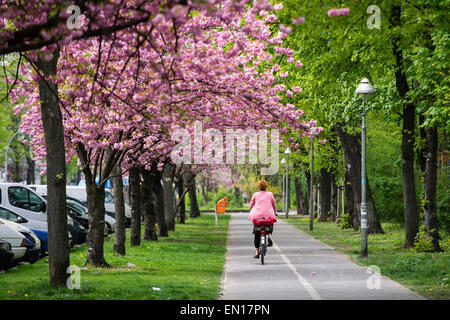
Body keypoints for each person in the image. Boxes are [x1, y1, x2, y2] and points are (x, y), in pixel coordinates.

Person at [248, 179, 277, 258]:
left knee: (257, 233)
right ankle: (270, 235)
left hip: (257, 217)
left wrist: (251, 209)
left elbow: (251, 205)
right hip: (268, 216)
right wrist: (275, 212)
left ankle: (257, 252)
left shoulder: (255, 194)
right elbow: (274, 205)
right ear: (266, 186)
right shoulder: (270, 194)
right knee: (270, 223)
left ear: (258, 187)